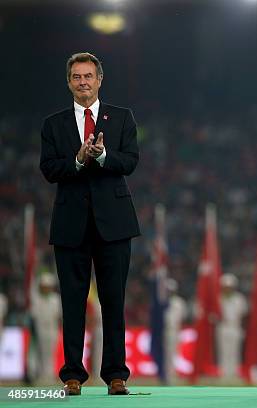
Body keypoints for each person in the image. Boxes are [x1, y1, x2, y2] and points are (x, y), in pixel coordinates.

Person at [39, 52, 140, 395]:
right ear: (69, 82)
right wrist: (78, 160)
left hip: (114, 223)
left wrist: (104, 156)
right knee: (72, 301)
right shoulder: (54, 124)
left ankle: (115, 375)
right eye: (76, 77)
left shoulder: (122, 118)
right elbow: (50, 170)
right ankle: (72, 374)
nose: (83, 82)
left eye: (88, 76)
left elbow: (130, 161)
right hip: (71, 224)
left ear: (100, 80)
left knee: (114, 300)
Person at [30, 274, 62, 384]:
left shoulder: (56, 299)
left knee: (50, 353)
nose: (46, 288)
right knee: (41, 352)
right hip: (41, 329)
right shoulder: (36, 299)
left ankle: (50, 375)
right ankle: (41, 375)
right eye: (44, 286)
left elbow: (58, 316)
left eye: (48, 286)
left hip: (52, 329)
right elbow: (34, 316)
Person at [217, 274, 247, 381]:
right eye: (225, 287)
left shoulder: (239, 299)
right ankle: (224, 372)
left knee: (235, 350)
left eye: (230, 287)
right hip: (223, 326)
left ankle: (234, 372)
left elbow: (243, 315)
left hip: (235, 326)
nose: (228, 289)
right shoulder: (218, 298)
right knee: (223, 350)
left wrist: (242, 328)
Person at [164, 278, 187, 385]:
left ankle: (172, 373)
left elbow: (183, 317)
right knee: (165, 352)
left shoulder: (179, 302)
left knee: (173, 352)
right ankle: (165, 374)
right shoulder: (161, 302)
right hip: (164, 329)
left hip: (175, 330)